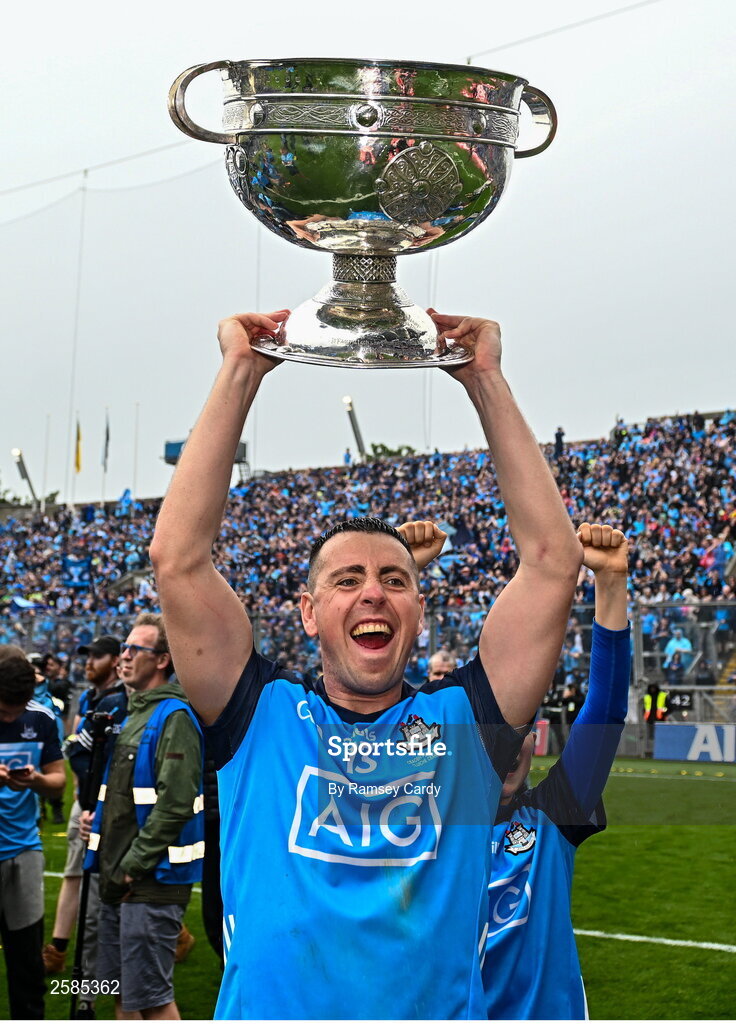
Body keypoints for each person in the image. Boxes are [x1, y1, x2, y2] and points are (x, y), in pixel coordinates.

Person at [149, 309, 583, 1019]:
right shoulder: (258, 717)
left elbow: (550, 565)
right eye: (347, 580)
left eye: (395, 579)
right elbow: (178, 560)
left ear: (418, 612)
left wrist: (484, 379)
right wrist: (242, 369)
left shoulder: (462, 725)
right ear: (309, 612)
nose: (374, 591)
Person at [481, 522, 630, 1019]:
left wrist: (610, 585)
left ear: (534, 741)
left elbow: (605, 713)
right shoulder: (421, 821)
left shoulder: (553, 813)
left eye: (517, 733)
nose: (507, 749)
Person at [78, 613, 204, 1020]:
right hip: (120, 878)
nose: (123, 657)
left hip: (149, 881)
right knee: (121, 994)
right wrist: (94, 821)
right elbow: (129, 797)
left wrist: (133, 866)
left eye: (135, 649)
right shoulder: (137, 714)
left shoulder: (175, 717)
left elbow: (175, 803)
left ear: (163, 660)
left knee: (151, 1000)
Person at [42, 635, 127, 993]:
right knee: (76, 875)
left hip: (110, 805)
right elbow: (74, 748)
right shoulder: (89, 697)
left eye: (96, 656)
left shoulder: (122, 701)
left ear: (115, 660)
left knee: (108, 892)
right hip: (86, 800)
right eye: (87, 656)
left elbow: (80, 750)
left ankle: (91, 986)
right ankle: (62, 950)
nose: (88, 662)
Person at [0, 645, 66, 1019]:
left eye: (16, 709)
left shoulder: (40, 718)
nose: (10, 716)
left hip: (23, 851)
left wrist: (38, 780)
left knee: (26, 964)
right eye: (3, 709)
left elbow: (58, 780)